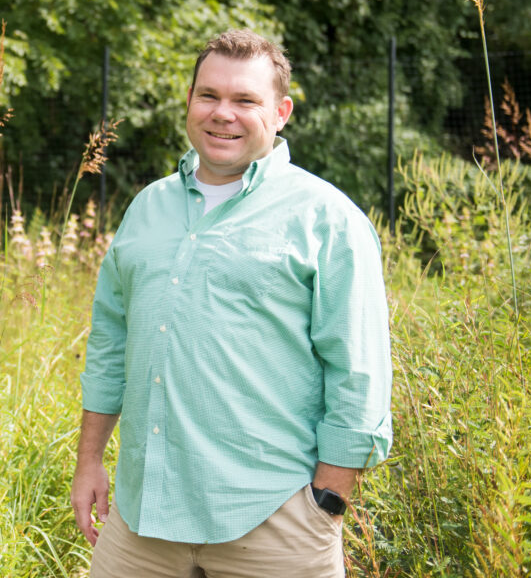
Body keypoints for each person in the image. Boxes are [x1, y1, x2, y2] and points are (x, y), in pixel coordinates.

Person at [71, 29, 392, 577]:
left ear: (281, 111)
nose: (224, 114)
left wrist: (327, 501)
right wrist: (90, 460)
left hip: (273, 519)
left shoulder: (328, 219)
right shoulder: (147, 208)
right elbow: (110, 343)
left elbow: (358, 373)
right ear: (190, 102)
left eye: (245, 100)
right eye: (209, 96)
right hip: (141, 519)